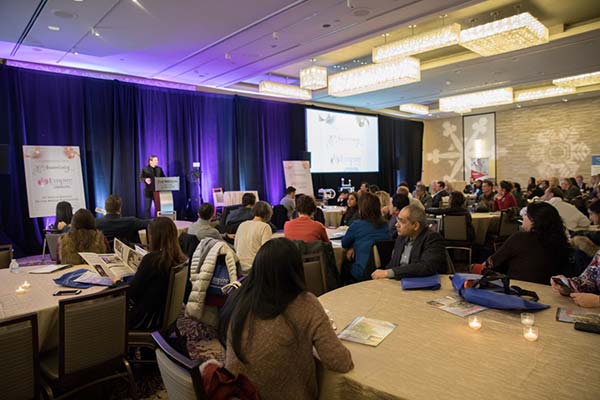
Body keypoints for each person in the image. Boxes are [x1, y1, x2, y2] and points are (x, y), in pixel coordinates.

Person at [219, 238, 353, 400]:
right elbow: (340, 362)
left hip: (236, 393)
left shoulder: (240, 298)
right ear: (296, 270)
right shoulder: (305, 303)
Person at [483, 202, 571, 284]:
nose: (523, 218)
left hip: (518, 289)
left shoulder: (521, 238)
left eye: (525, 215)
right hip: (549, 289)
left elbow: (492, 263)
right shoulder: (561, 241)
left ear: (532, 220)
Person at [125, 217, 187, 330]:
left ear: (154, 237)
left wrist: (117, 282)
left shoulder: (151, 260)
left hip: (144, 319)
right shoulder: (181, 259)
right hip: (162, 315)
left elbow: (131, 293)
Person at [372, 204, 446, 280]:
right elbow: (392, 264)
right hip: (398, 283)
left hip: (420, 286)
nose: (396, 225)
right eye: (397, 220)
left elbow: (426, 267)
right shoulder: (401, 237)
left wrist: (389, 273)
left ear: (415, 225)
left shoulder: (432, 238)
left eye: (402, 221)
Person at [341, 192, 391, 282]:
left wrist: (352, 246)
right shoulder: (386, 225)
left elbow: (344, 243)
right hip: (383, 270)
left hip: (363, 272)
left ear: (361, 208)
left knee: (344, 265)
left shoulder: (357, 225)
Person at [234, 201, 273, 272]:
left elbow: (236, 246)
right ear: (268, 213)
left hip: (239, 268)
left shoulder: (242, 225)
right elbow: (267, 253)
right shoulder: (265, 227)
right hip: (255, 269)